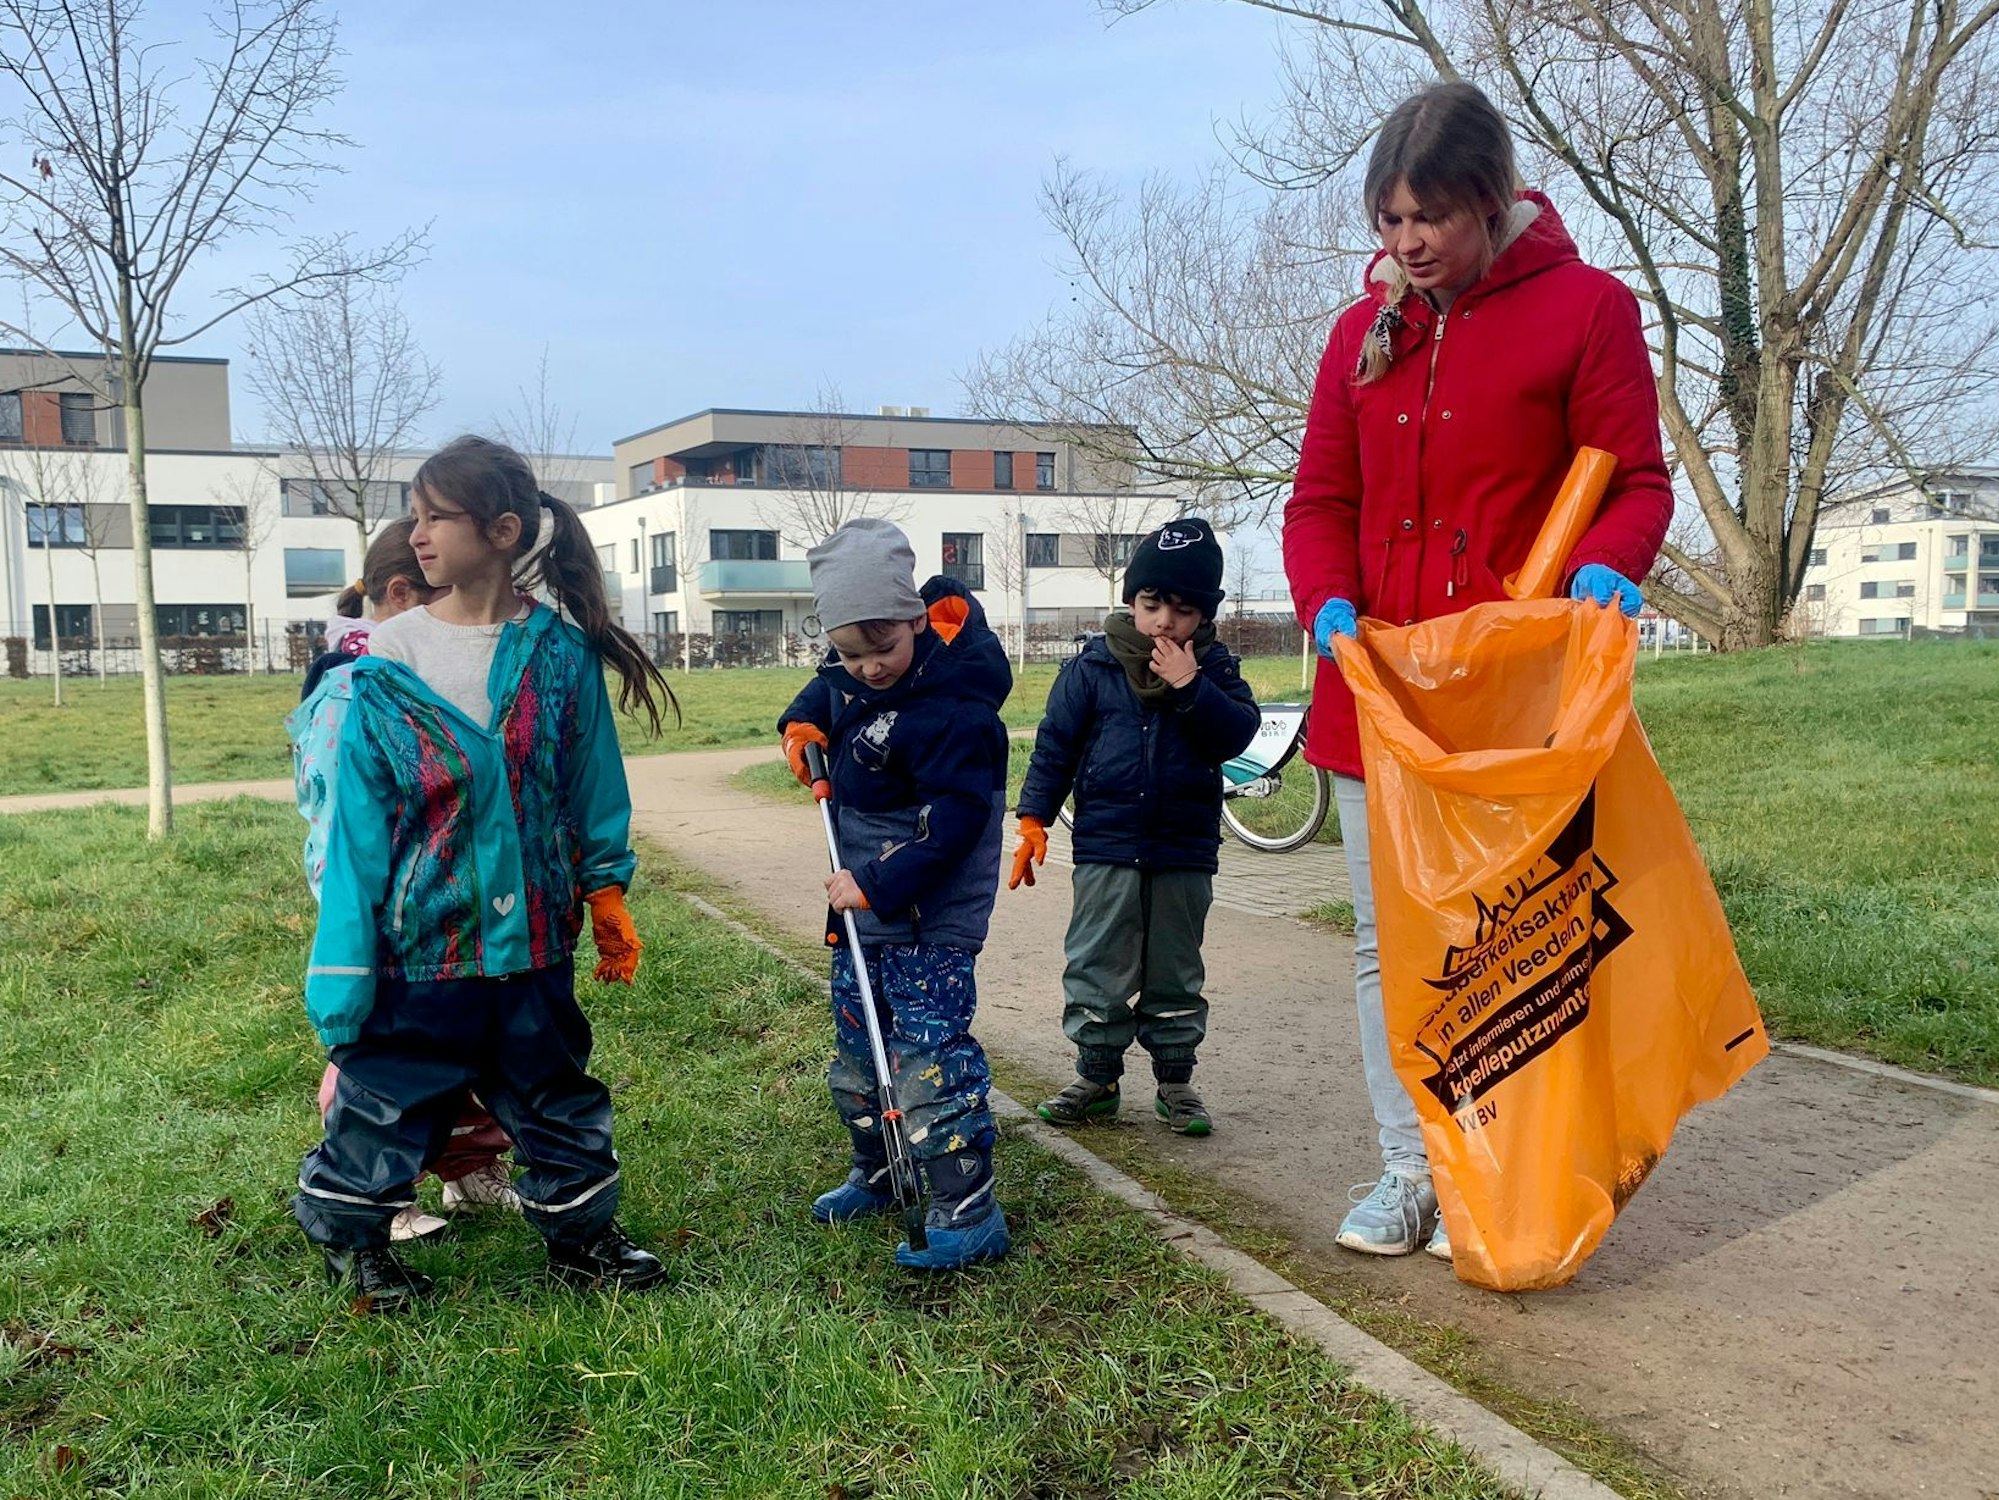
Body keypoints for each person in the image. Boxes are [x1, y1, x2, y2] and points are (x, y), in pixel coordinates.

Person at [1281, 81, 1672, 1260]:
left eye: (1428, 221)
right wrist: (1325, 603)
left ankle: (1505, 1167)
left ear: (1491, 200)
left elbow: (1638, 480)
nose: (1406, 246)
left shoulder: (1587, 311)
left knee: (1517, 937)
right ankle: (1413, 1168)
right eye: (1388, 222)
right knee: (1386, 940)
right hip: (1378, 692)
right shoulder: (1360, 336)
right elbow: (1319, 500)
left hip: (1513, 698)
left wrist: (1604, 568)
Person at [288, 434, 678, 1311]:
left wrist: (605, 887)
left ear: (501, 531)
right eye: (414, 517)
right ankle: (359, 1248)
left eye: (436, 517)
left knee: (554, 1093)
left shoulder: (559, 655)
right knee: (384, 1100)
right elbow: (356, 828)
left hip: (535, 944)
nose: (416, 535)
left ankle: (583, 1239)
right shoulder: (388, 660)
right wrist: (344, 958)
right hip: (421, 949)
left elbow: (592, 787)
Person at [776, 518, 1013, 1271]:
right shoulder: (850, 674)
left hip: (924, 918)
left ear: (917, 620)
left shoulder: (956, 711)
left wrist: (875, 884)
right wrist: (800, 724)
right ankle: (877, 1171)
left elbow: (952, 828)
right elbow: (823, 691)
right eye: (850, 652)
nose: (868, 668)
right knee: (857, 1051)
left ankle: (966, 1207)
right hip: (863, 914)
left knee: (926, 1059)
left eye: (883, 648)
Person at [301, 516, 520, 1244]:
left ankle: (467, 1169)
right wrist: (365, 915)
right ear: (401, 595)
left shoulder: (418, 671)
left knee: (470, 1040)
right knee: (380, 1051)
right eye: (445, 604)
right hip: (381, 905)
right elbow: (342, 815)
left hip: (445, 898)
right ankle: (373, 1189)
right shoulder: (354, 690)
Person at [1011, 518, 1260, 1137]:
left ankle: (1176, 1083)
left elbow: (1235, 734)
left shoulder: (1216, 672)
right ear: (1130, 601)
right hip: (1107, 847)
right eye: (1152, 606)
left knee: (1175, 970)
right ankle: (1096, 1077)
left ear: (1203, 617)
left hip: (1183, 849)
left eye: (1182, 612)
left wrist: (1189, 684)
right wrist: (1034, 818)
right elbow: (1055, 747)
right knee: (1097, 963)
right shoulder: (1092, 668)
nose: (1164, 624)